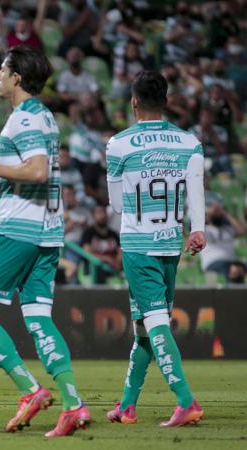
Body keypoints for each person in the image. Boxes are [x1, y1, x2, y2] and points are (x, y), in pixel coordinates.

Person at [0, 46, 90, 437]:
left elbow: (36, 170)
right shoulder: (44, 116)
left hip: (19, 231)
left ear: (17, 77)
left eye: (3, 68)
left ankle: (30, 390)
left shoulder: (24, 119)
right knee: (37, 318)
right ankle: (73, 404)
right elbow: (39, 174)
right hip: (48, 231)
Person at [105, 70, 206, 427]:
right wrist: (199, 229)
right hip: (170, 243)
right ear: (165, 102)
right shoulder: (189, 142)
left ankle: (185, 401)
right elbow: (196, 187)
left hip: (138, 244)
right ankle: (127, 406)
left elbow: (116, 205)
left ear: (133, 101)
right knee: (145, 326)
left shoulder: (118, 144)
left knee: (154, 321)